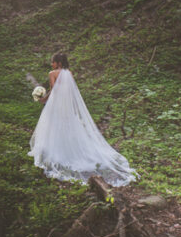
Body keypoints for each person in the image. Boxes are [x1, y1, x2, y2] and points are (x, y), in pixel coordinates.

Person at [29, 52, 136, 186]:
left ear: (58, 63)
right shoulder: (69, 73)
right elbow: (69, 91)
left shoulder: (52, 73)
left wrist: (43, 99)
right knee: (67, 128)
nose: (52, 64)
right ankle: (69, 151)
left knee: (54, 128)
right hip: (67, 107)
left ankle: (57, 153)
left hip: (57, 106)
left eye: (53, 62)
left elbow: (54, 91)